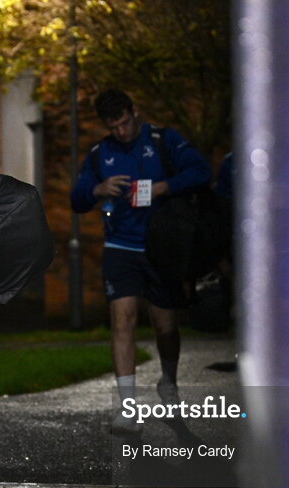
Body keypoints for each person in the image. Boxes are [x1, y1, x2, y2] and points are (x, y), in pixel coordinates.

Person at [70, 89, 211, 434]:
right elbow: (77, 198)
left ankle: (168, 382)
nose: (121, 131)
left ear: (135, 111)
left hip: (162, 247)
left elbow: (202, 171)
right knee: (123, 321)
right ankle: (127, 408)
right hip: (120, 248)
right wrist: (98, 190)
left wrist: (164, 187)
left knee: (165, 327)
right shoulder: (99, 153)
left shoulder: (164, 140)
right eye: (113, 126)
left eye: (125, 122)